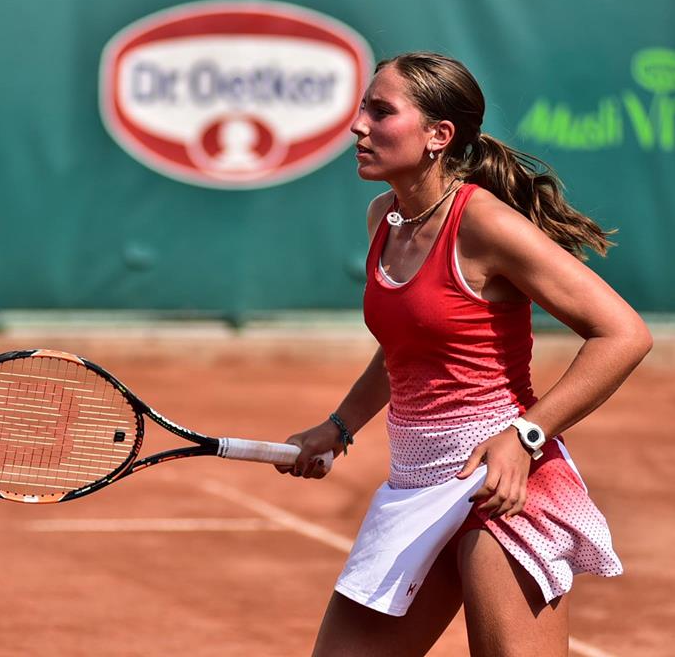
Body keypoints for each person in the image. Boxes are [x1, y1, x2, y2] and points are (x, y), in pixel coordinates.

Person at [277, 51, 652, 656]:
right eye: (362, 108)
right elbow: (403, 350)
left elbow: (624, 334)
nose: (358, 125)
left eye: (381, 110)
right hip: (415, 485)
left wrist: (527, 436)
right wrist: (338, 426)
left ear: (438, 135)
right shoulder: (386, 218)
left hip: (500, 483)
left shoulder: (483, 223)